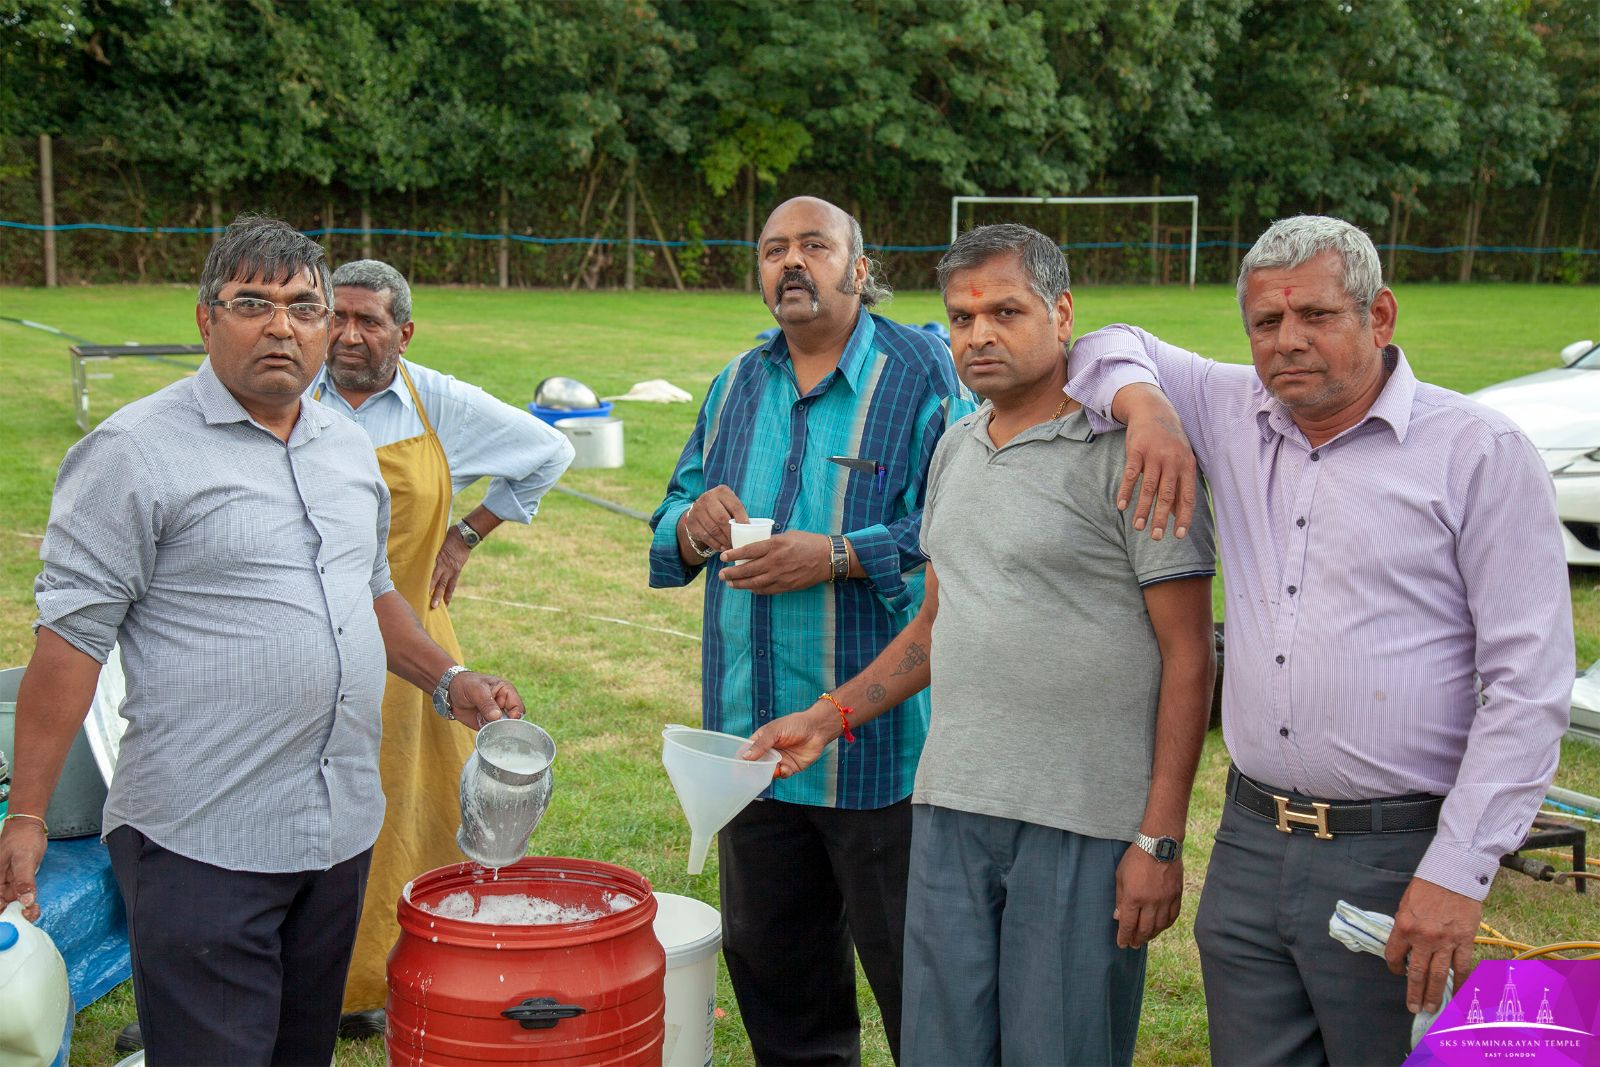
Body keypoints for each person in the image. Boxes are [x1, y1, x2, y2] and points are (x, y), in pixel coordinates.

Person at [0, 214, 525, 1067]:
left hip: (336, 831)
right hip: (203, 839)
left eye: (304, 307)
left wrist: (448, 678)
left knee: (298, 1052)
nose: (282, 325)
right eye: (254, 302)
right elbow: (70, 640)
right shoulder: (134, 453)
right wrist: (27, 814)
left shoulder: (346, 448)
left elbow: (373, 591)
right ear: (206, 318)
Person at [1064, 215, 1572, 1066]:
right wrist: (1148, 408)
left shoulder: (1478, 453)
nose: (1287, 342)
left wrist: (1459, 869)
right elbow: (1104, 344)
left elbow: (1529, 687)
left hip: (1401, 850)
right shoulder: (1233, 409)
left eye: (1317, 317)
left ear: (1379, 318)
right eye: (1266, 323)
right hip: (1252, 844)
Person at [743, 223, 1217, 1065]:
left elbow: (1190, 656)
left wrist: (1158, 837)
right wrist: (826, 717)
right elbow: (934, 625)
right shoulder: (956, 445)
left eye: (1006, 310)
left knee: (1056, 1049)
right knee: (941, 1047)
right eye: (961, 318)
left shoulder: (1136, 456)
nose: (979, 334)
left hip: (1081, 821)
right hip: (952, 807)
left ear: (1062, 313)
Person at [648, 196, 974, 1064]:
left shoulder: (925, 373)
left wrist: (834, 555)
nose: (792, 263)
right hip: (751, 746)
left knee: (921, 986)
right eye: (773, 249)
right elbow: (672, 509)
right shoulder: (734, 383)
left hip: (876, 751)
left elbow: (961, 531)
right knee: (781, 989)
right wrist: (694, 522)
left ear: (859, 271)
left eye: (814, 246)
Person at [307, 259, 573, 1033]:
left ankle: (390, 980)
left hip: (412, 650)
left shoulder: (438, 401)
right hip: (306, 640)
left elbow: (547, 450)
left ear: (405, 332)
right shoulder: (296, 394)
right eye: (339, 318)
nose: (349, 335)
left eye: (369, 321)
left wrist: (467, 530)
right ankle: (313, 979)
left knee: (404, 815)